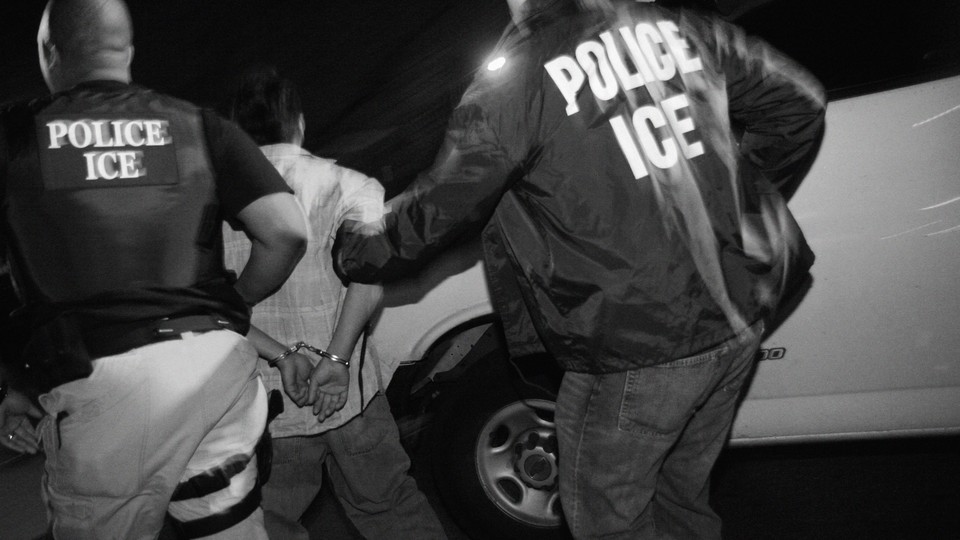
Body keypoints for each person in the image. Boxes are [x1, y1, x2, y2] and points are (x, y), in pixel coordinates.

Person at [334, 0, 826, 538]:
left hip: (639, 339)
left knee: (606, 518)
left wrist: (354, 248)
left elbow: (438, 208)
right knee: (681, 499)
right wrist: (734, 204)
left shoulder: (519, 79)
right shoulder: (674, 25)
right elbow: (800, 102)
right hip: (738, 310)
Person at [0, 0, 311, 538]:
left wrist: (15, 382)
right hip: (216, 371)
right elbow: (286, 232)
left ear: (50, 52)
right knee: (231, 530)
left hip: (102, 381)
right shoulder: (198, 125)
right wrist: (231, 308)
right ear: (129, 49)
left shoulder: (15, 135)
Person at [222, 68, 447, 540]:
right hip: (351, 399)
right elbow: (369, 279)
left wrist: (283, 356)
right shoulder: (351, 185)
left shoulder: (215, 205)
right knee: (390, 509)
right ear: (299, 124)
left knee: (270, 526)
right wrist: (337, 360)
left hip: (269, 408)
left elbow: (212, 304)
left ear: (235, 131)